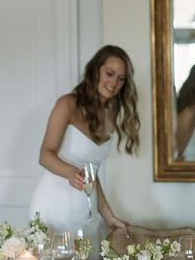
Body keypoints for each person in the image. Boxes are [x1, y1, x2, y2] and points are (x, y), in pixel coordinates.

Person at [29, 45, 140, 245]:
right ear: (95, 70)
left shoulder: (110, 113)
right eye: (109, 73)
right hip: (54, 207)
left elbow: (92, 171)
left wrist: (108, 215)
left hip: (86, 213)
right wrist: (71, 172)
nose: (114, 83)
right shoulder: (68, 105)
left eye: (121, 79)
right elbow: (45, 155)